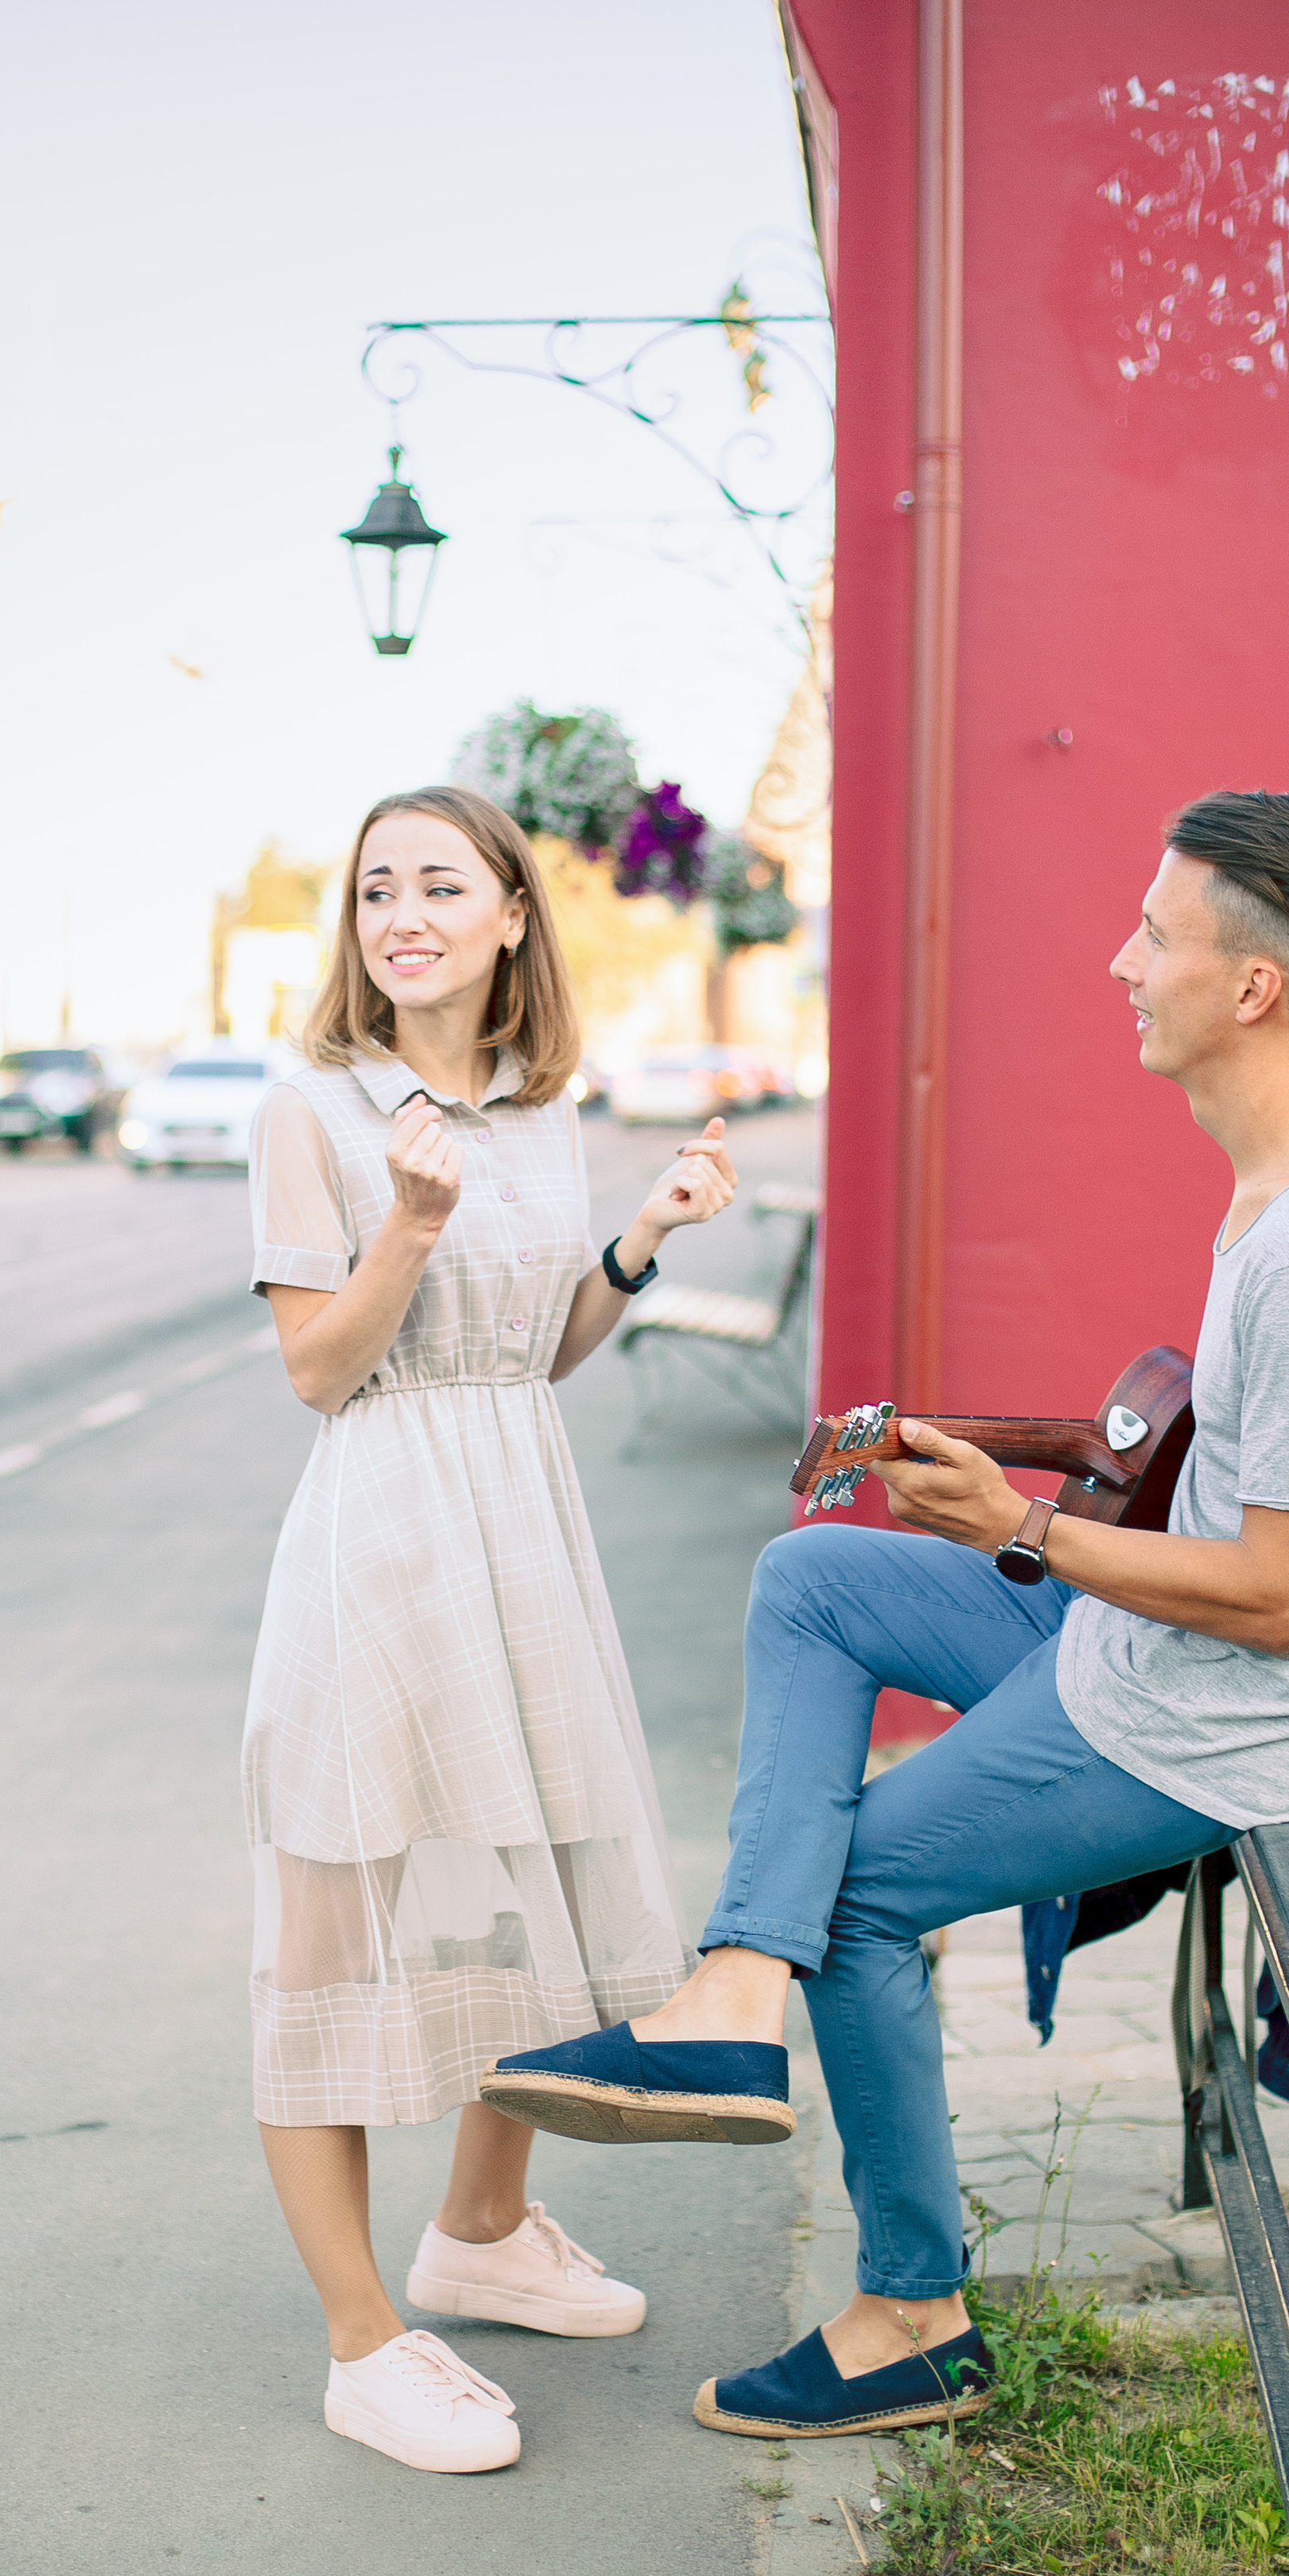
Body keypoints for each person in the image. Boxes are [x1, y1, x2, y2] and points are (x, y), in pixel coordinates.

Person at [484, 789, 1289, 2440]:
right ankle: (733, 2000)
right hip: (1147, 1644)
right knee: (812, 1575)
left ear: (1248, 988)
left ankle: (909, 2316)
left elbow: (1285, 1598)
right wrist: (1023, 1484)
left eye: (1153, 935)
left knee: (861, 1888)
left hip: (1229, 1714)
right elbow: (1241, 1493)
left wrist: (1022, 1527)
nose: (1118, 959)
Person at [245, 782, 737, 2475]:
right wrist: (410, 1222)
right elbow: (321, 1370)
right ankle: (359, 2339)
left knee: (511, 1892)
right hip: (379, 1544)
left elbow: (535, 1352)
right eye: (377, 888)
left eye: (439, 887)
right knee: (343, 1921)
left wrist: (638, 1242)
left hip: (522, 1528)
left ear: (511, 916)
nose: (403, 916)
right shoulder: (312, 1102)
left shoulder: (541, 1107)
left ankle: (481, 2232)